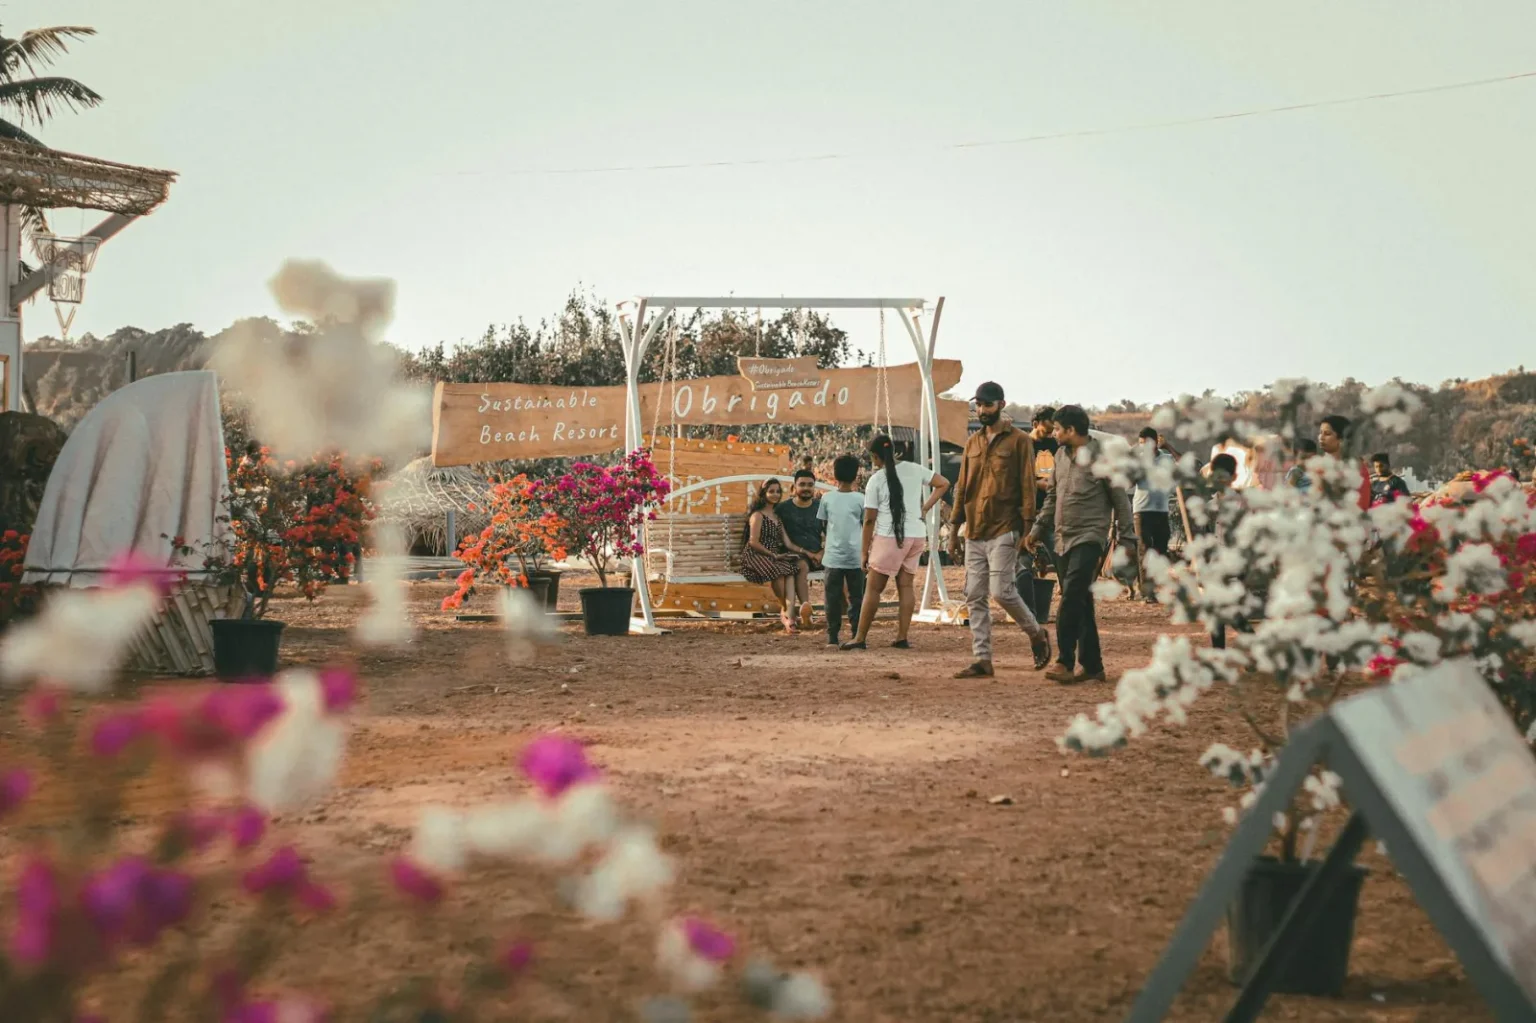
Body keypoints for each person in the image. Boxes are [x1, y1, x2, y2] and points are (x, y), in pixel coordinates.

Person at [946, 383, 1053, 678]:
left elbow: (1028, 487)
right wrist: (954, 530)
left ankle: (1036, 634)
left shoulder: (1019, 441)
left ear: (1001, 404)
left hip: (1006, 526)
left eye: (987, 405)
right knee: (974, 595)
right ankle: (983, 659)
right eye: (978, 405)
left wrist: (1029, 530)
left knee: (1002, 591)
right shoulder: (972, 444)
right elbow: (961, 488)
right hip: (974, 529)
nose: (981, 410)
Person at [1026, 405, 1136, 684]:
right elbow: (1052, 497)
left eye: (1059, 430)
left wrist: (1127, 538)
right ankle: (1093, 666)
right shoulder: (1060, 456)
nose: (1055, 434)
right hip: (1062, 538)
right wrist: (1038, 528)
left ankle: (1065, 661)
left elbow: (1120, 500)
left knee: (1071, 596)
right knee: (1082, 601)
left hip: (1090, 537)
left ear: (1072, 431)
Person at [842, 434, 948, 650]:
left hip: (890, 537)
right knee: (906, 586)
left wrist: (864, 552)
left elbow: (869, 519)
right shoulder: (914, 468)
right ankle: (902, 636)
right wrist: (925, 507)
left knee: (873, 589)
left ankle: (860, 637)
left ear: (874, 456)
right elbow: (943, 483)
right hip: (916, 534)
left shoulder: (876, 480)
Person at [739, 478, 810, 633]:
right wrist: (772, 555)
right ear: (763, 493)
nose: (775, 495)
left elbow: (789, 544)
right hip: (756, 555)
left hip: (773, 556)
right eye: (771, 491)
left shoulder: (777, 518)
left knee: (791, 570)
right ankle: (785, 608)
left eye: (778, 491)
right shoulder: (758, 515)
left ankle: (789, 617)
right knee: (779, 571)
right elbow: (753, 542)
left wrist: (807, 553)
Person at [817, 454, 866, 648]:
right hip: (856, 556)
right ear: (856, 475)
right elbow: (866, 524)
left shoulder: (827, 499)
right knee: (857, 597)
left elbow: (823, 525)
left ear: (835, 475)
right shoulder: (861, 499)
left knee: (832, 598)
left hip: (833, 557)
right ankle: (856, 635)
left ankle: (832, 637)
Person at [776, 468, 824, 629]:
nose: (806, 488)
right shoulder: (783, 509)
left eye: (810, 485)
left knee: (841, 565)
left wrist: (822, 553)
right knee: (800, 566)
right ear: (794, 487)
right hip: (796, 555)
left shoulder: (820, 506)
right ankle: (806, 609)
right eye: (802, 484)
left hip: (819, 555)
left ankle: (845, 610)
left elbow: (831, 533)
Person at [1132, 427, 1173, 604]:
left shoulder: (1166, 458)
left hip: (1161, 509)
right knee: (1144, 549)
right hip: (1141, 510)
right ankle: (1146, 591)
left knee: (1161, 549)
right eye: (1141, 444)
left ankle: (1156, 586)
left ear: (1155, 442)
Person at [1318, 414, 1372, 510]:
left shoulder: (1355, 468)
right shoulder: (1320, 464)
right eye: (1320, 433)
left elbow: (1361, 504)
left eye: (1327, 434)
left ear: (1341, 439)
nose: (1321, 437)